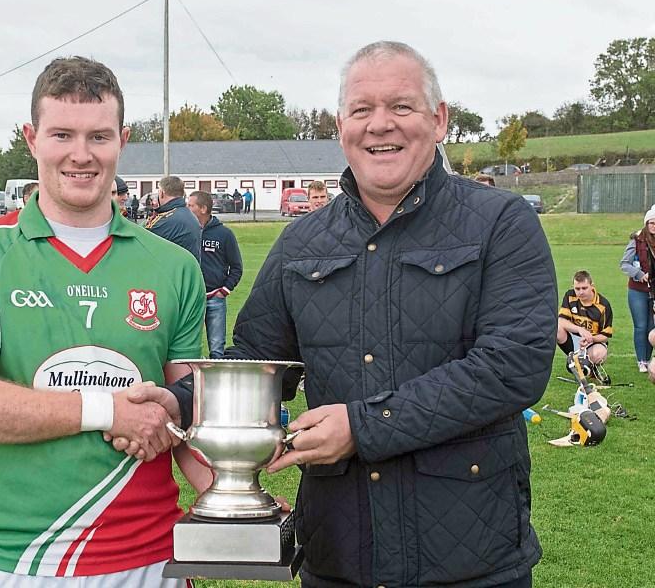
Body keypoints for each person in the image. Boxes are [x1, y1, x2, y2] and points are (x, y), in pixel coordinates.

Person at [217, 41, 555, 587]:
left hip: (470, 559)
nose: (380, 125)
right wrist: (172, 401)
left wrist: (362, 425)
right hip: (339, 558)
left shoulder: (501, 222)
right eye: (361, 109)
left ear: (439, 120)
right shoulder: (301, 242)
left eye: (401, 107)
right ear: (340, 125)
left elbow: (512, 367)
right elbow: (254, 364)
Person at [0, 55, 210, 587]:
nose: (82, 155)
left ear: (122, 140)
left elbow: (189, 409)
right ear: (32, 138)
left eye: (99, 137)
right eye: (63, 134)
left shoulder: (174, 266)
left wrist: (230, 493)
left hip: (155, 558)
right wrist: (108, 410)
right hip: (25, 561)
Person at [187, 190, 243, 358]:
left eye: (190, 205)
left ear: (203, 209)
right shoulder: (186, 231)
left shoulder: (224, 234)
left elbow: (236, 267)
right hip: (191, 299)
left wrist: (224, 290)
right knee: (188, 346)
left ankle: (216, 381)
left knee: (217, 347)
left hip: (215, 299)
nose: (186, 208)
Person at [620, 206, 655, 371]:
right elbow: (624, 264)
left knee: (652, 327)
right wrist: (640, 274)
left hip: (653, 291)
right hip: (637, 290)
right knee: (640, 325)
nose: (654, 226)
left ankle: (648, 358)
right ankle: (641, 360)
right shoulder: (637, 240)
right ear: (646, 223)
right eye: (652, 223)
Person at [557, 270, 612, 368]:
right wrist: (579, 329)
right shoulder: (570, 296)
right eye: (577, 289)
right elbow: (561, 320)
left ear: (592, 286)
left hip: (593, 342)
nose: (581, 292)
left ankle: (590, 368)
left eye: (584, 288)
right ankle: (574, 359)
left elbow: (605, 336)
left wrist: (590, 338)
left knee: (599, 354)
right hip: (573, 338)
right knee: (556, 328)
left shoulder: (603, 305)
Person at [144, 176, 201, 261]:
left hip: (174, 271)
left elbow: (143, 240)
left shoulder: (168, 220)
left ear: (162, 193)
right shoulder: (187, 214)